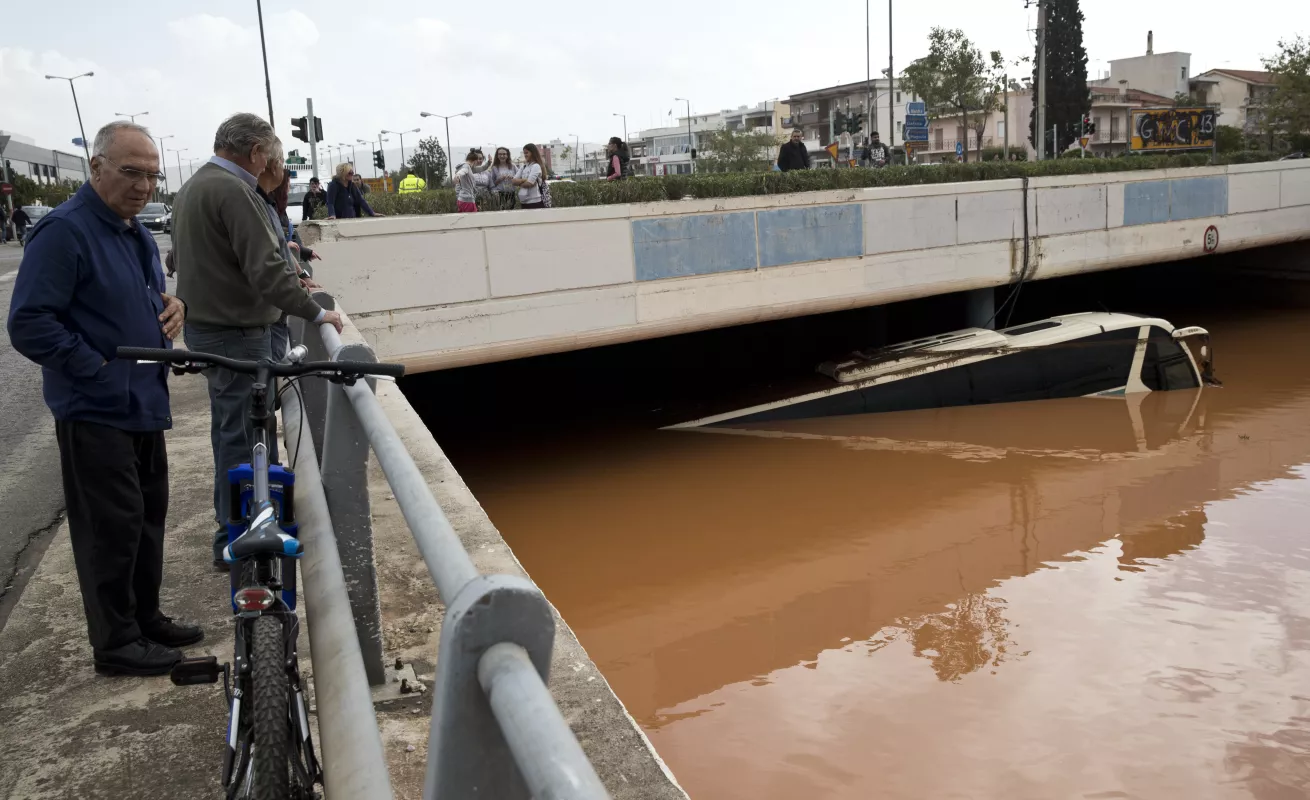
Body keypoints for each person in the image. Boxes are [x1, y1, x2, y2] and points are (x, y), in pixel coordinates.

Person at [6, 120, 200, 676]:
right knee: (111, 529)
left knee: (146, 518)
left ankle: (144, 618)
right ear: (96, 168)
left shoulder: (134, 230)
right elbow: (29, 323)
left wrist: (175, 305)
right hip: (95, 409)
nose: (143, 186)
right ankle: (116, 643)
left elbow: (146, 295)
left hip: (144, 401)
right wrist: (94, 368)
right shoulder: (65, 232)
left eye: (151, 176)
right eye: (130, 172)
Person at [171, 113, 344, 569]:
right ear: (255, 153)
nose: (271, 162)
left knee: (236, 430)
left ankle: (243, 524)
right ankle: (236, 535)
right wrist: (317, 312)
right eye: (269, 154)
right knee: (245, 436)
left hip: (216, 327)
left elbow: (180, 257)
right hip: (238, 332)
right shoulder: (235, 191)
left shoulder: (195, 186)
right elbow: (266, 272)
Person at [511, 143, 547, 209]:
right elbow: (513, 181)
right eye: (524, 153)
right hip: (524, 201)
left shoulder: (536, 166)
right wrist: (524, 180)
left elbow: (529, 184)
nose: (525, 155)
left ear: (533, 153)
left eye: (527, 153)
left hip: (534, 202)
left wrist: (519, 183)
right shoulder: (524, 166)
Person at [454, 148, 489, 213]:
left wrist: (489, 162)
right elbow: (463, 171)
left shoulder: (465, 166)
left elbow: (482, 168)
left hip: (461, 200)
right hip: (468, 200)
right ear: (475, 161)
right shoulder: (466, 167)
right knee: (472, 220)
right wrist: (458, 175)